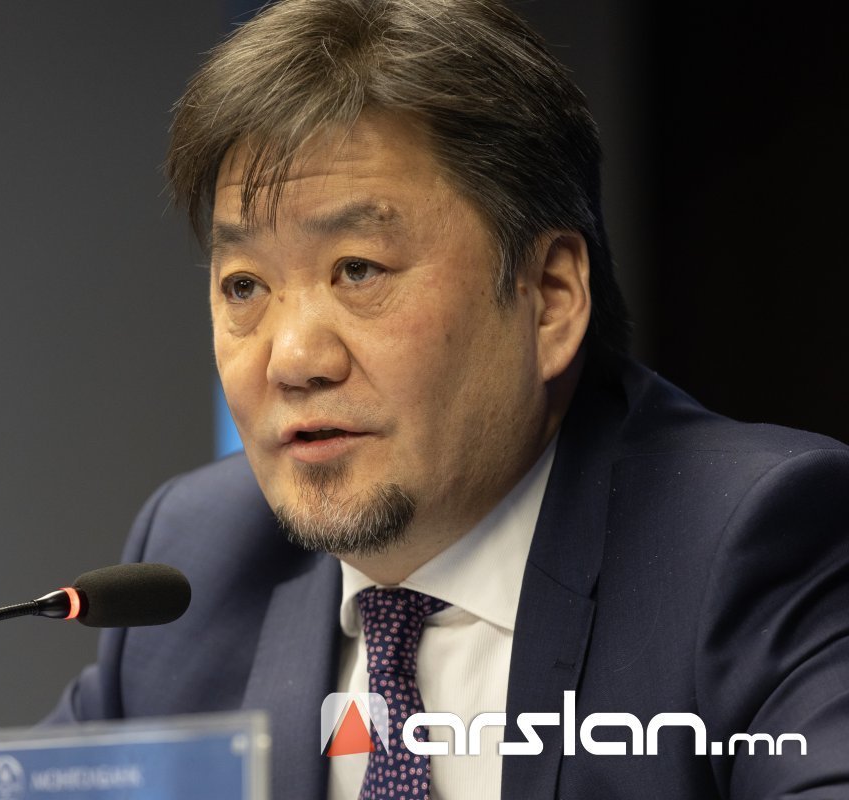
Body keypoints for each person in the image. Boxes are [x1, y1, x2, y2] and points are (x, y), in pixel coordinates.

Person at [48, 1, 849, 798]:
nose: (292, 360)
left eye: (358, 270)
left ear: (550, 297)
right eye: (245, 286)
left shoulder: (755, 545)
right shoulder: (197, 562)